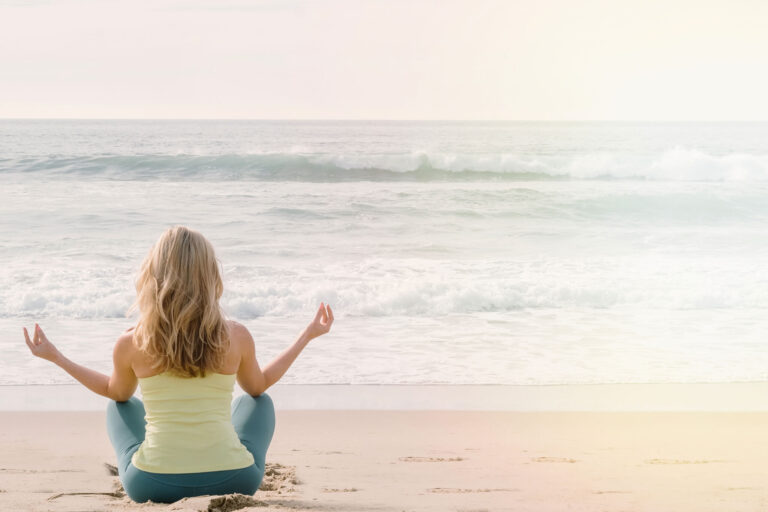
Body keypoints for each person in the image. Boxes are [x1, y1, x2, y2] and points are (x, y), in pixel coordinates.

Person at [22, 225, 334, 503]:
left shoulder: (133, 342)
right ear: (210, 275)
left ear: (153, 276)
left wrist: (57, 358)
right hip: (238, 479)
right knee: (258, 402)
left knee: (121, 405)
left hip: (150, 485)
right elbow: (259, 385)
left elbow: (113, 391)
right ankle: (219, 454)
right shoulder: (236, 336)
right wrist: (307, 335)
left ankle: (166, 456)